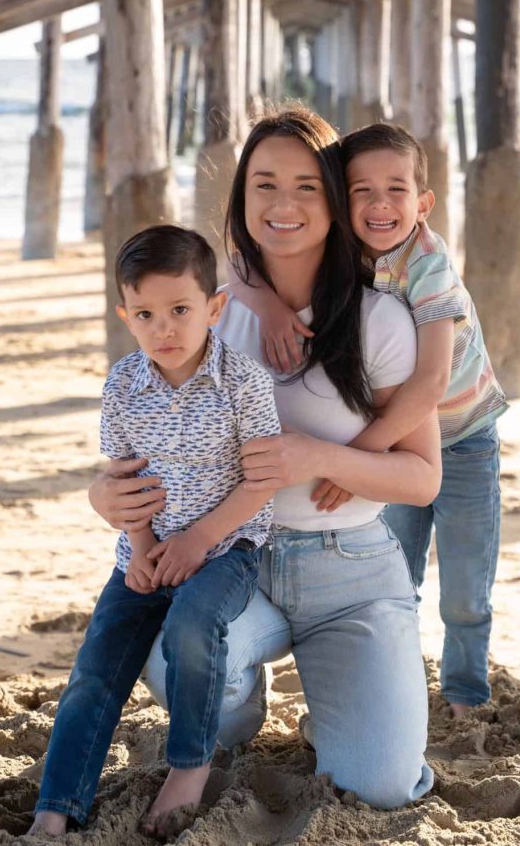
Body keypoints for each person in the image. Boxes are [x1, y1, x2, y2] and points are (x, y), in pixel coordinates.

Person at [89, 107, 443, 811]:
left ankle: (339, 711)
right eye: (264, 184)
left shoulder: (380, 318)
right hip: (228, 562)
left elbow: (422, 476)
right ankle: (238, 706)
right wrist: (103, 495)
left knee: (379, 786)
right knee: (180, 664)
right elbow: (137, 430)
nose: (284, 204)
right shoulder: (203, 311)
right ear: (241, 198)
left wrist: (319, 456)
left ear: (335, 200)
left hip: (349, 569)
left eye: (307, 186)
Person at [236, 121, 507, 716]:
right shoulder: (347, 252)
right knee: (399, 569)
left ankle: (465, 692)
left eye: (396, 191)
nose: (380, 206)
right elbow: (238, 265)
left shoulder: (427, 265)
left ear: (423, 203)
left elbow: (430, 382)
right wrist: (269, 307)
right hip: (396, 439)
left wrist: (360, 455)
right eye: (362, 191)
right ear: (342, 200)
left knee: (465, 586)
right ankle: (398, 681)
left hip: (460, 437)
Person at [29, 225, 280, 839]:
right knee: (95, 667)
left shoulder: (243, 381)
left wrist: (197, 541)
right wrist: (141, 551)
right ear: (126, 316)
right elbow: (124, 477)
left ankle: (189, 769)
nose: (164, 328)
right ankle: (56, 806)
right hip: (142, 553)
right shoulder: (123, 385)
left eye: (180, 310)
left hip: (226, 549)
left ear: (214, 308)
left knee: (193, 625)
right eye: (145, 315)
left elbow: (262, 482)